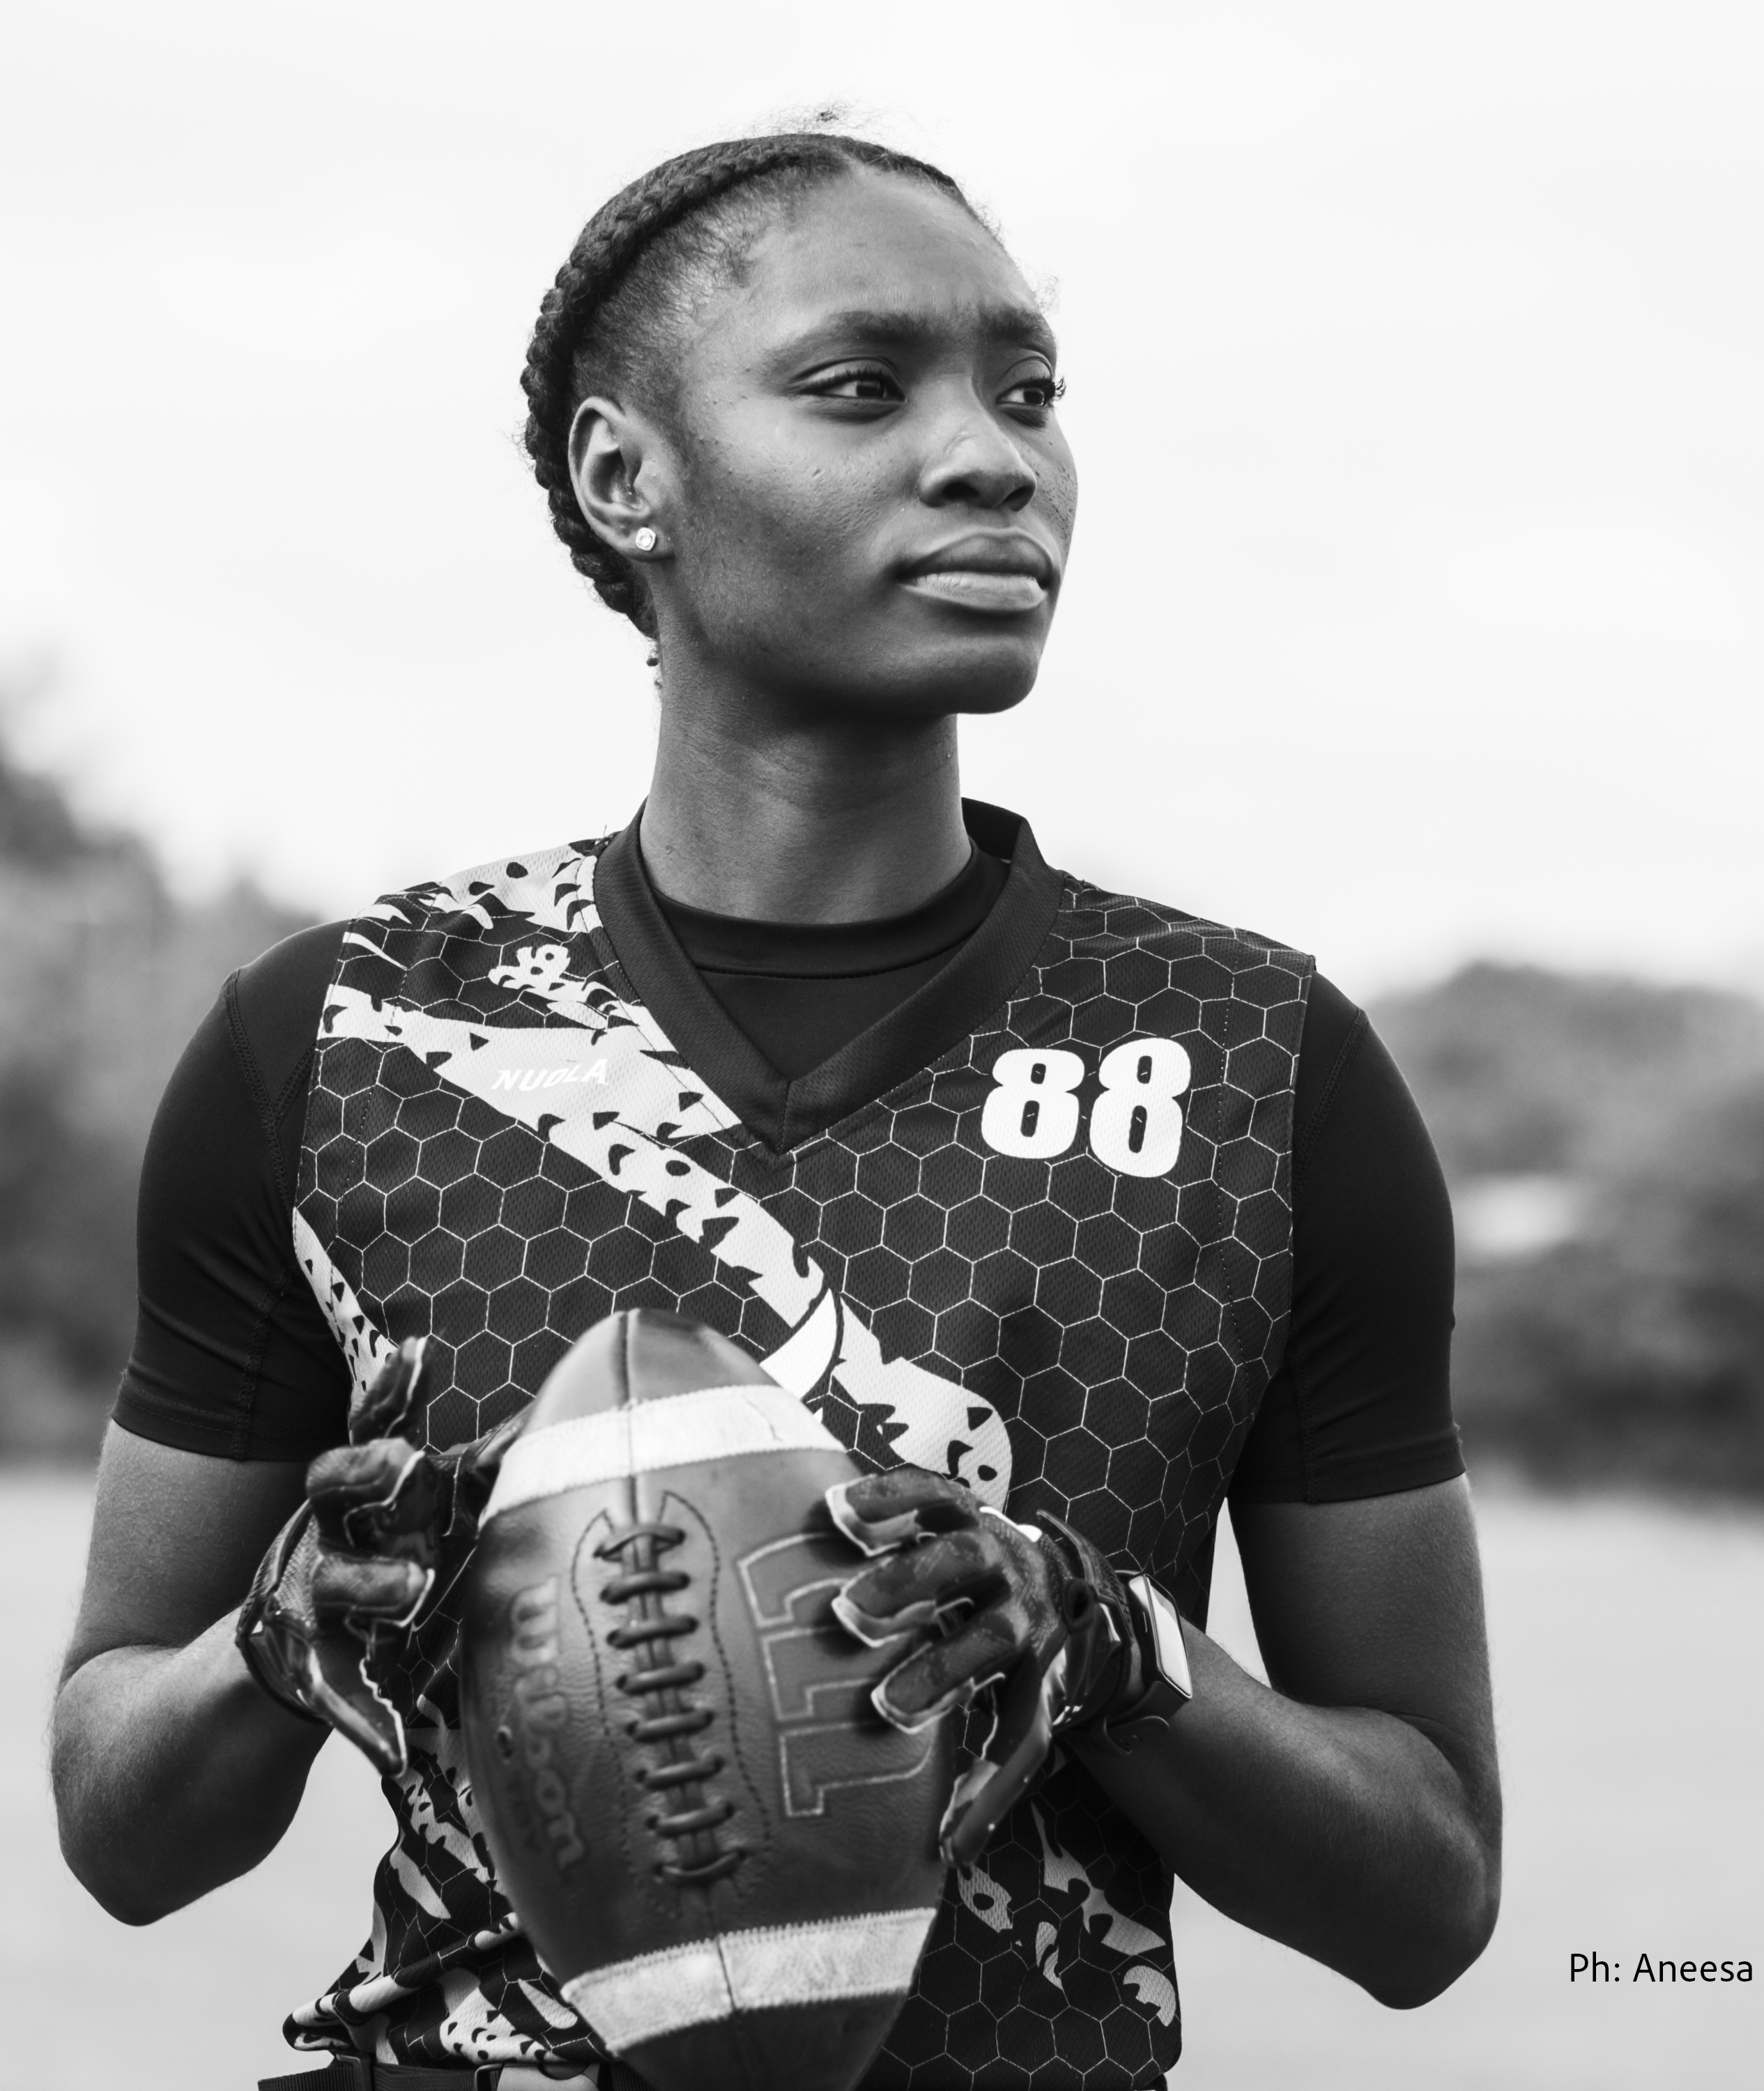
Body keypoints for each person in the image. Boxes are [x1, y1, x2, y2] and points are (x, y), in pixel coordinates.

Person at [52, 130, 1500, 2089]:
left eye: (1030, 390)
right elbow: (120, 1829)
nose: (994, 455)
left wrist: (1106, 1653)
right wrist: (278, 1644)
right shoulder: (345, 1042)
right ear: (623, 476)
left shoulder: (1257, 1068)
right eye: (860, 385)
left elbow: (1425, 1896)